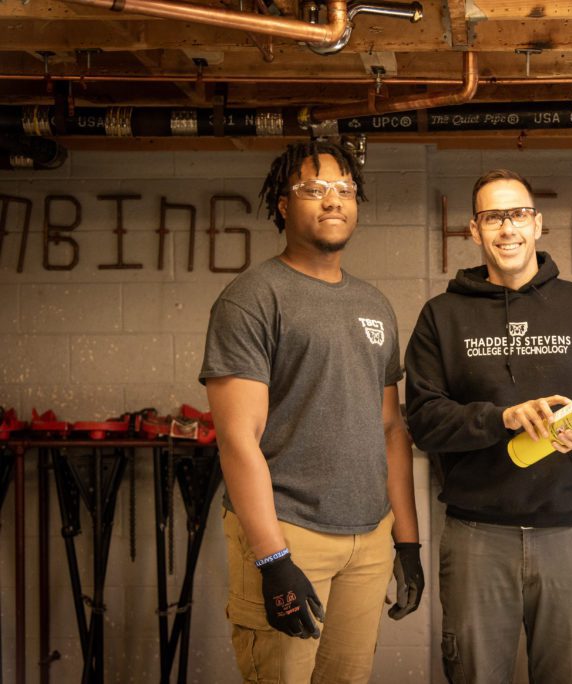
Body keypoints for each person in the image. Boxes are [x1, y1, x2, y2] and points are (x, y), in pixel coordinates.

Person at [404, 169, 572, 683]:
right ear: (474, 230)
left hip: (569, 535)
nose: (507, 228)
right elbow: (423, 420)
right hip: (476, 536)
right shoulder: (441, 317)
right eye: (493, 217)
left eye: (517, 215)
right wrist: (500, 418)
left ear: (537, 224)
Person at [200, 139, 423, 684]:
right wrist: (273, 560)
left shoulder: (373, 304)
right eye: (314, 189)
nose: (333, 201)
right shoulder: (252, 298)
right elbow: (238, 440)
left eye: (345, 190)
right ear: (282, 203)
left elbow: (391, 428)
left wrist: (407, 541)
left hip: (368, 539)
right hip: (290, 532)